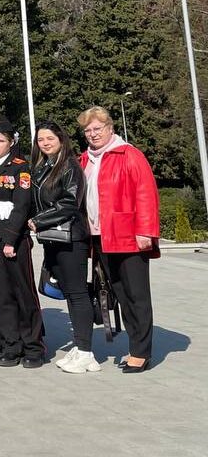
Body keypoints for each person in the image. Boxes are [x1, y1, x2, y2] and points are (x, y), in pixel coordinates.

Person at [78, 106, 159, 373]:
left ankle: (141, 351)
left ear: (110, 128)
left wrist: (146, 231)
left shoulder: (129, 155)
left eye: (97, 128)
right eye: (88, 130)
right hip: (100, 236)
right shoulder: (85, 159)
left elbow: (146, 193)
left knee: (136, 294)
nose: (92, 134)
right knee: (119, 293)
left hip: (128, 235)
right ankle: (134, 345)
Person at [0, 117, 46, 368]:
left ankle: (33, 347)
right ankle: (10, 346)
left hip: (14, 241)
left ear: (11, 142)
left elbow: (22, 207)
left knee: (23, 293)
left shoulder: (21, 168)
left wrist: (9, 240)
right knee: (2, 295)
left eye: (0, 141)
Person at [30, 120, 96, 374]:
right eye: (41, 140)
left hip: (71, 238)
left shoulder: (69, 165)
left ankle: (86, 351)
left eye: (50, 139)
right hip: (53, 238)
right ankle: (80, 347)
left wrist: (38, 220)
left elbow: (69, 202)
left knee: (78, 293)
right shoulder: (44, 166)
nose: (45, 143)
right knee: (69, 292)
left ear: (61, 139)